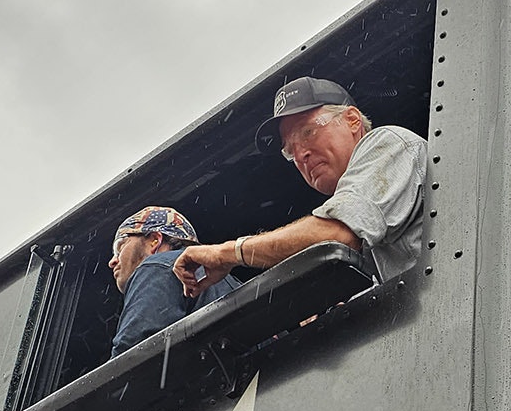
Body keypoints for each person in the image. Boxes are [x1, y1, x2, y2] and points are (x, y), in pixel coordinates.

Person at [173, 77, 427, 296]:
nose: (300, 154)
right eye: (289, 150)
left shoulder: (389, 143)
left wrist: (227, 252)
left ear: (352, 120)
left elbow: (336, 233)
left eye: (308, 132)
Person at [108, 206, 241, 358]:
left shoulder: (156, 266)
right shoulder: (227, 282)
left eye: (120, 246)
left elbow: (130, 355)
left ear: (154, 241)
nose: (112, 261)